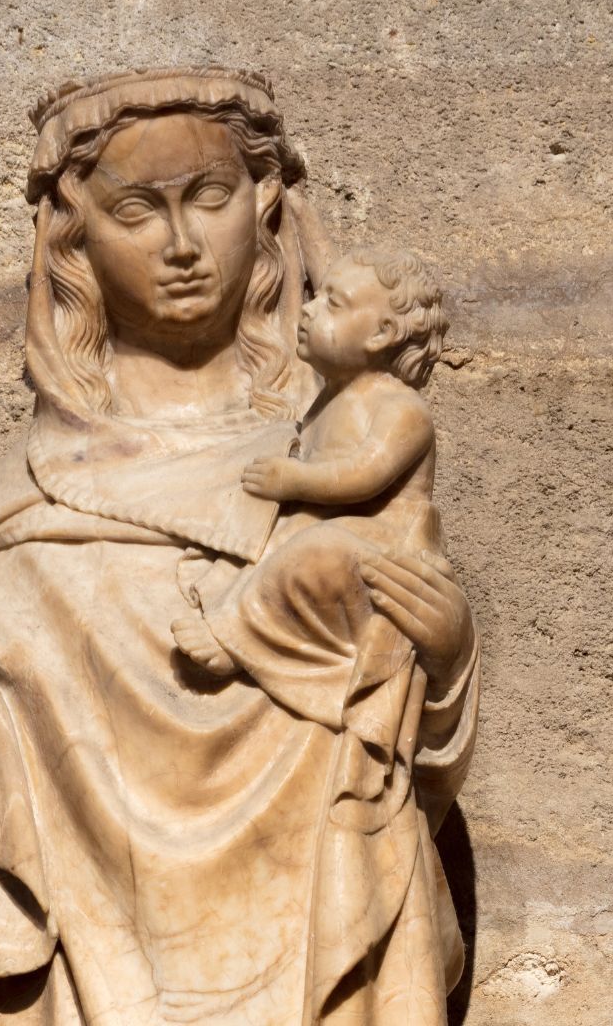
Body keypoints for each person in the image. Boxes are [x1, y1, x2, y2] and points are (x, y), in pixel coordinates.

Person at [0, 67, 480, 1025]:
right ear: (75, 240)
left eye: (212, 199)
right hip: (93, 977)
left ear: (266, 214)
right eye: (138, 210)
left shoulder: (345, 457)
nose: (184, 245)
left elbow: (405, 764)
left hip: (318, 943)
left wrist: (443, 665)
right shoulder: (25, 507)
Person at [171, 246, 450, 735]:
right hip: (336, 529)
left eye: (331, 304)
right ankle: (222, 597)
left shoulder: (401, 409)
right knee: (277, 536)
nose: (308, 308)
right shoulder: (334, 393)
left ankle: (234, 636)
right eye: (315, 297)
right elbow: (330, 274)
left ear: (383, 335)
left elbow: (365, 474)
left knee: (314, 548)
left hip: (385, 549)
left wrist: (294, 479)